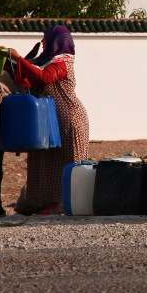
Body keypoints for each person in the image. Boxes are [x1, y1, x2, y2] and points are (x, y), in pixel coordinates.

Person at [8, 25, 90, 215]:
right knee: (45, 161)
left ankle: (63, 202)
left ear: (56, 42)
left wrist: (18, 58)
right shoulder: (47, 61)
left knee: (68, 161)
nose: (43, 42)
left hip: (70, 118)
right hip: (50, 119)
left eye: (46, 39)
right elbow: (31, 81)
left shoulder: (63, 62)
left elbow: (45, 77)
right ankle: (42, 202)